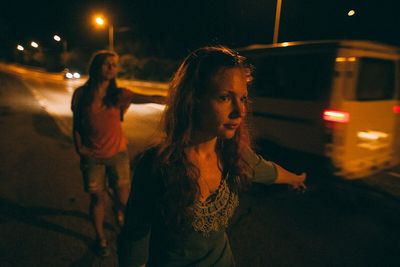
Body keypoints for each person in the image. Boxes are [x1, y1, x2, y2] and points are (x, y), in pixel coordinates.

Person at [118, 46, 306, 266]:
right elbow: (135, 238)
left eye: (243, 99)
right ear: (193, 99)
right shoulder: (157, 165)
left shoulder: (234, 155)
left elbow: (269, 172)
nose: (240, 111)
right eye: (225, 97)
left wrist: (296, 179)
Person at [71, 50, 164, 257]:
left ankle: (124, 224)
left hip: (117, 154)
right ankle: (101, 239)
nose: (112, 68)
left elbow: (154, 98)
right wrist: (79, 148)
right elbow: (77, 124)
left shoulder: (119, 95)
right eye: (107, 64)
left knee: (124, 201)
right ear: (96, 67)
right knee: (98, 199)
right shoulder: (81, 95)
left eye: (115, 65)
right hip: (92, 157)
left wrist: (179, 99)